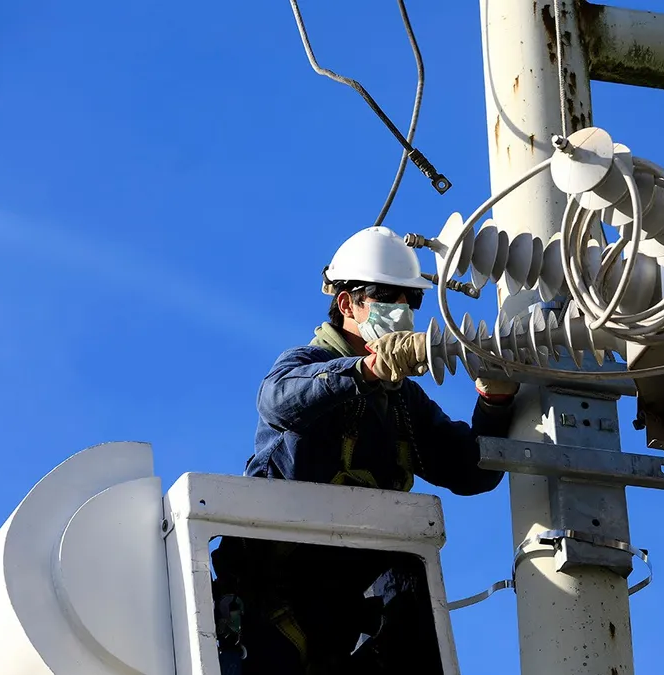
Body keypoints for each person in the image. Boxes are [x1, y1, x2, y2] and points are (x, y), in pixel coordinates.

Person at [216, 225, 520, 674]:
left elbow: (471, 471)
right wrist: (367, 370)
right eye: (387, 296)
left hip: (341, 605)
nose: (402, 309)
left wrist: (495, 401)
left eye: (410, 299)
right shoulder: (307, 365)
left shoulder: (402, 401)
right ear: (347, 304)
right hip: (274, 598)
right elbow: (277, 401)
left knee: (407, 570)